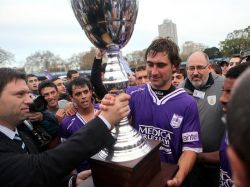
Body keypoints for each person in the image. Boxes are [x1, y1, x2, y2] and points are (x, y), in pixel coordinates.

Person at [0, 67, 130, 187]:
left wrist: (71, 182)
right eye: (20, 94)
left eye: (28, 94)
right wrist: (104, 122)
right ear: (71, 97)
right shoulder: (67, 122)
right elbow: (40, 167)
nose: (29, 100)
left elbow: (38, 179)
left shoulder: (22, 133)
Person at [126, 38, 202, 186]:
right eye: (150, 64)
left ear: (174, 66)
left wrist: (179, 176)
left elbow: (191, 148)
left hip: (168, 178)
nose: (153, 72)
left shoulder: (187, 103)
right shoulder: (132, 94)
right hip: (137, 175)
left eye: (160, 65)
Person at [178, 51, 225, 187]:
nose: (195, 72)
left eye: (200, 67)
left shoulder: (223, 85)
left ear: (209, 67)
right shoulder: (178, 90)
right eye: (191, 68)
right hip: (188, 164)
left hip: (217, 164)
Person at [219, 62, 250, 187]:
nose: (222, 98)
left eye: (230, 92)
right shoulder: (234, 123)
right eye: (223, 91)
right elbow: (223, 153)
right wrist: (197, 156)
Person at [60, 77, 98, 172]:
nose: (83, 96)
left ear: (91, 92)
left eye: (85, 91)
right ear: (71, 97)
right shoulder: (66, 123)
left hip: (111, 167)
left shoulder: (105, 111)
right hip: (86, 173)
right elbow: (67, 155)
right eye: (78, 94)